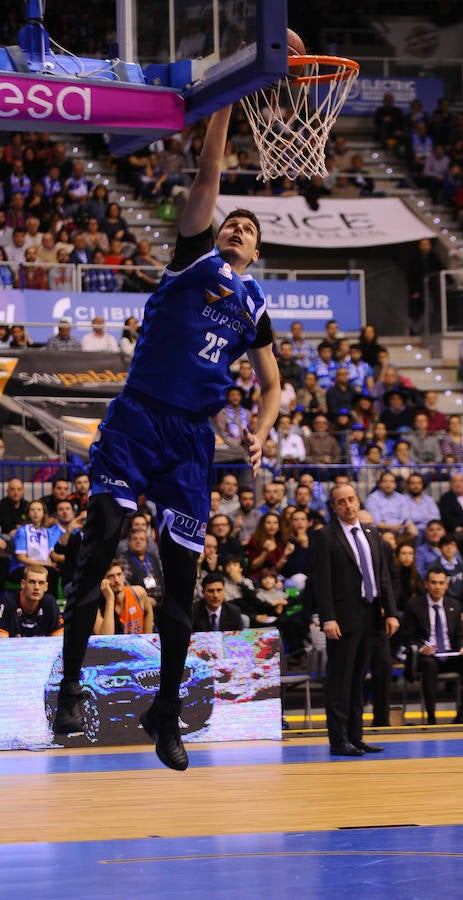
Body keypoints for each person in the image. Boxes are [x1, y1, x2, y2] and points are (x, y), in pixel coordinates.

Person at [53, 106, 281, 772]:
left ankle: (166, 711)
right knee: (99, 545)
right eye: (231, 222)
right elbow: (209, 174)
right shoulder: (194, 257)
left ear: (257, 250)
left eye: (248, 228)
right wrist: (230, 102)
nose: (237, 227)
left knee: (182, 581)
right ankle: (71, 687)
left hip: (190, 441)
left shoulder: (255, 303)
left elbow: (271, 384)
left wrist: (262, 430)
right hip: (137, 419)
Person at [309, 483, 398, 755]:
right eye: (341, 502)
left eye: (351, 499)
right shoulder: (326, 536)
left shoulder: (371, 533)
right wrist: (328, 618)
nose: (348, 505)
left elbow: (383, 577)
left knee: (360, 678)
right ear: (334, 506)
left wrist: (391, 611)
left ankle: (356, 736)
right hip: (343, 618)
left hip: (371, 613)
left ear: (358, 501)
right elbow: (321, 582)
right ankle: (338, 740)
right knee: (340, 680)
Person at [400, 566, 463, 724]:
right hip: (426, 657)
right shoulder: (413, 606)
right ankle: (431, 718)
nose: (437, 587)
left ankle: (462, 715)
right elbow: (407, 637)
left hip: (450, 654)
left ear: (446, 585)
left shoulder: (455, 605)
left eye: (441, 583)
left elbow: (459, 635)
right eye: (433, 583)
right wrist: (421, 647)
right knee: (429, 666)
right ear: (426, 584)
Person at [0, 564, 64, 638]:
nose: (36, 587)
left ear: (46, 587)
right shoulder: (8, 602)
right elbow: (2, 642)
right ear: (23, 584)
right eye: (32, 582)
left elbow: (58, 639)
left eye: (41, 583)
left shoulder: (50, 602)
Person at [94, 559, 154, 635]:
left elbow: (149, 611)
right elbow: (105, 638)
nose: (116, 580)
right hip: (114, 646)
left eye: (119, 574)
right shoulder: (97, 606)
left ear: (124, 576)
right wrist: (110, 600)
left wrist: (147, 637)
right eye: (110, 576)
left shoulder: (138, 593)